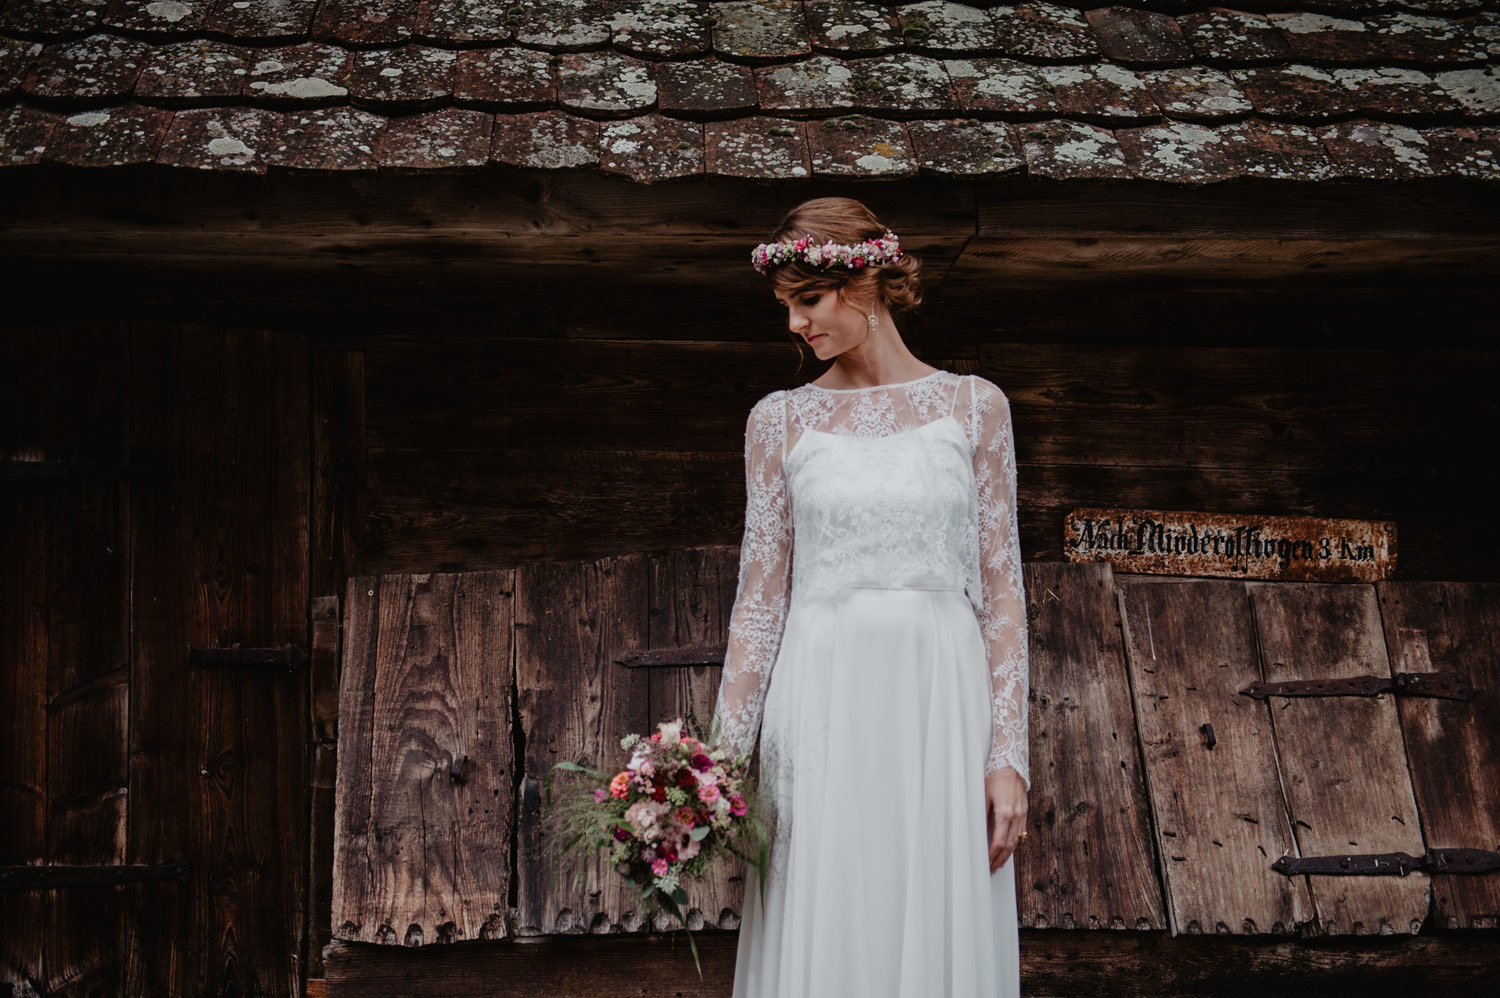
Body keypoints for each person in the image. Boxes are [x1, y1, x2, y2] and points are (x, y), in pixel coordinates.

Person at [711, 196, 1029, 997]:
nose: (794, 325)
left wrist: (1008, 758)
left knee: (932, 902)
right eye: (786, 306)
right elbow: (759, 602)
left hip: (939, 700)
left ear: (868, 284)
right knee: (828, 899)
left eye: (807, 301)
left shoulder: (974, 407)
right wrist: (714, 768)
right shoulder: (779, 421)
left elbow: (1001, 591)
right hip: (821, 698)